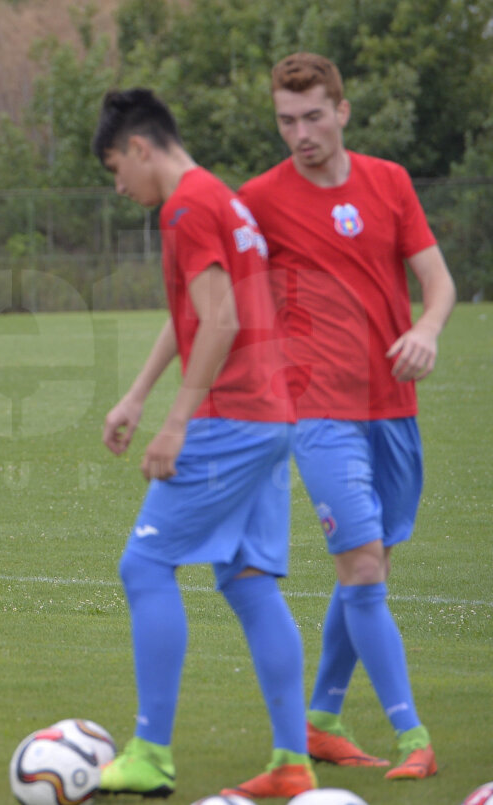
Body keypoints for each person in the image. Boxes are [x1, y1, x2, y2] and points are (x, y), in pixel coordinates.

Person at [93, 88, 315, 800]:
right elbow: (193, 310)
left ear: (139, 147)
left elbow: (218, 321)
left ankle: (151, 753)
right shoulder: (222, 197)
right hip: (270, 415)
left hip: (232, 416)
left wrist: (177, 421)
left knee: (145, 564)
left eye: (115, 169)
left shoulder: (185, 207)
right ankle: (293, 761)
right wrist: (137, 394)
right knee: (247, 580)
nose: (119, 186)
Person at [238, 52, 455, 780]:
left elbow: (438, 282)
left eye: (312, 117)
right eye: (285, 120)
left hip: (393, 407)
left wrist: (426, 330)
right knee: (361, 562)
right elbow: (226, 288)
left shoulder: (389, 182)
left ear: (342, 111)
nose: (300, 134)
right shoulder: (260, 199)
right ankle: (413, 736)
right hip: (316, 410)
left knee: (373, 565)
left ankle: (322, 718)